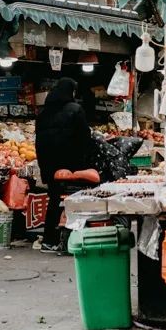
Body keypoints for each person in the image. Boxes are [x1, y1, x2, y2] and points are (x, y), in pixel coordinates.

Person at [35, 78, 93, 254]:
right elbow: (85, 137)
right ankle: (72, 238)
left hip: (51, 166)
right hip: (72, 166)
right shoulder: (75, 110)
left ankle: (48, 240)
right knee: (76, 200)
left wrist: (44, 169)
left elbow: (39, 143)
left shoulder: (43, 113)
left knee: (54, 200)